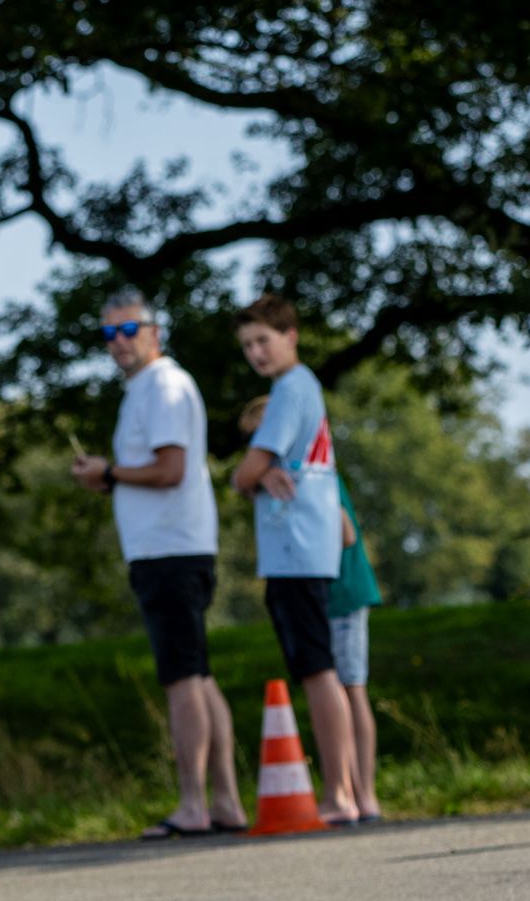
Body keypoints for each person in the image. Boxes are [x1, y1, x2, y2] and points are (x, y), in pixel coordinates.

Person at [72, 288, 246, 838]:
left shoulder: (164, 386)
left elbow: (171, 469)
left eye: (129, 330)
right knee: (198, 675)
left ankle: (194, 805)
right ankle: (227, 805)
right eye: (109, 333)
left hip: (171, 551)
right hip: (170, 548)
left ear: (154, 331)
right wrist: (110, 477)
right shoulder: (146, 388)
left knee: (182, 679)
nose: (118, 342)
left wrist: (113, 472)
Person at [230, 294, 358, 825]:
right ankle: (345, 790)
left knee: (317, 669)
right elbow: (258, 470)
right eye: (247, 346)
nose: (256, 352)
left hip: (297, 550)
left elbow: (244, 473)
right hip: (303, 547)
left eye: (263, 340)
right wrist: (260, 472)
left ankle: (340, 793)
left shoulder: (289, 390)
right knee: (317, 667)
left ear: (291, 336)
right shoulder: (302, 388)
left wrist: (253, 473)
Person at [330, 471, 383, 821]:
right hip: (334, 597)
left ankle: (363, 794)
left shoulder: (312, 470)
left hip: (342, 595)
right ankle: (354, 793)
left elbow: (344, 531)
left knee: (350, 688)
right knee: (345, 688)